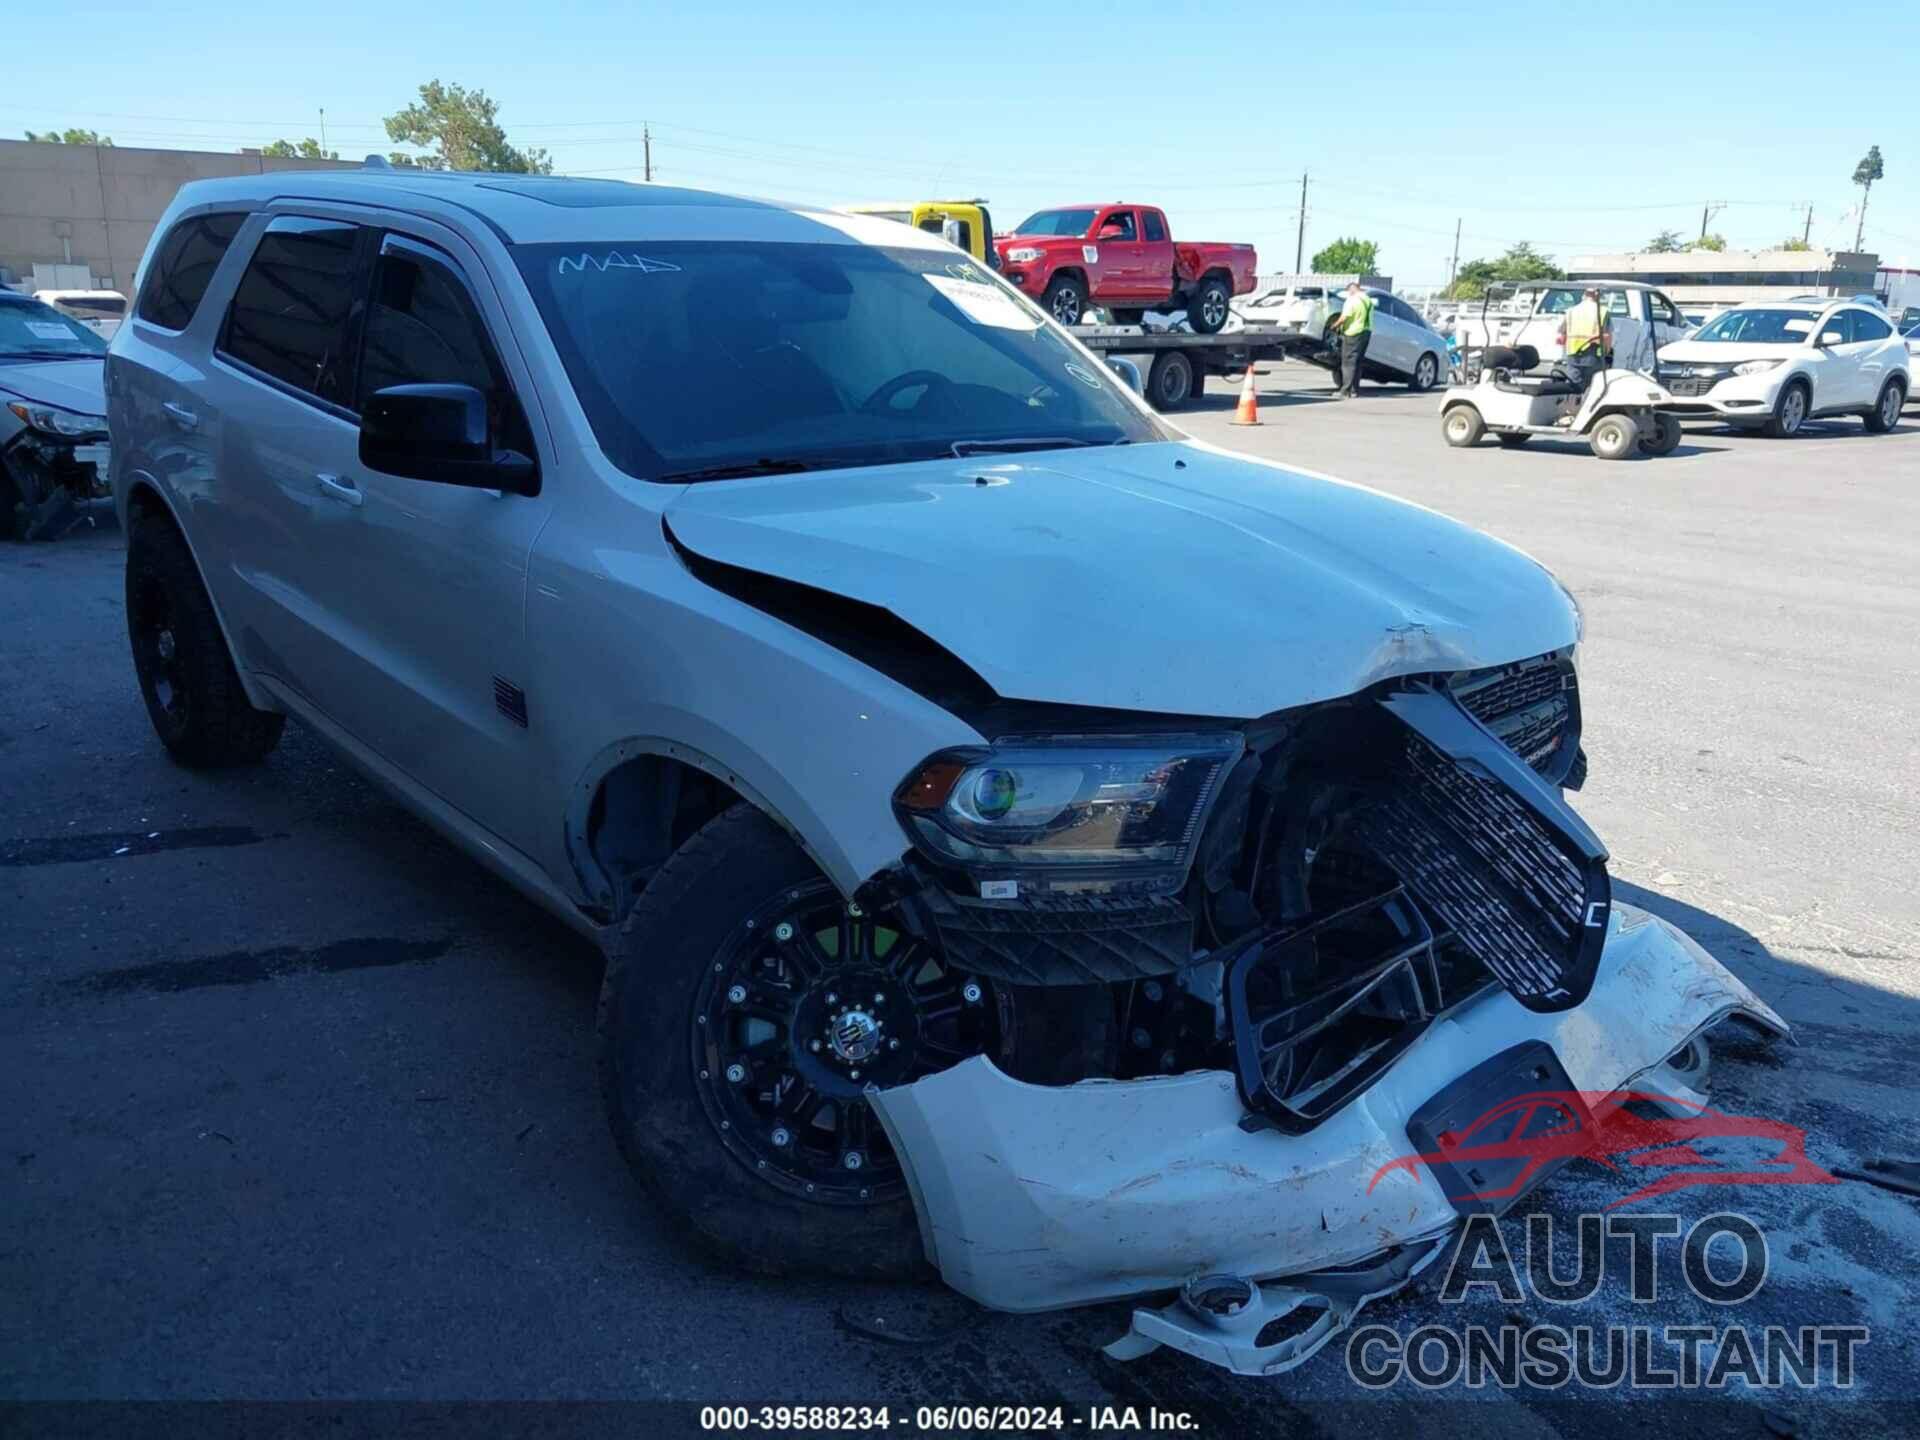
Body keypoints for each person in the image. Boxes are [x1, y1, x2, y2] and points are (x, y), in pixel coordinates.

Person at [1560, 286, 1611, 387]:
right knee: (1592, 388)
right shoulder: (1602, 311)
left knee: (1573, 388)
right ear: (1596, 294)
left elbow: (1563, 334)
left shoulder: (1571, 311)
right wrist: (1607, 351)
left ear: (1584, 294)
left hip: (1573, 356)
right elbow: (1607, 336)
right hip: (1593, 356)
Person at [1331, 281, 1374, 398]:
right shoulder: (1367, 300)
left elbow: (1344, 317)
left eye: (1349, 291)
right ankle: (1354, 390)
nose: (1349, 293)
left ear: (1352, 289)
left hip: (1353, 332)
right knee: (1358, 362)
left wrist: (1334, 326)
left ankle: (1345, 391)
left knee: (1348, 362)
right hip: (1366, 332)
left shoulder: (1352, 300)